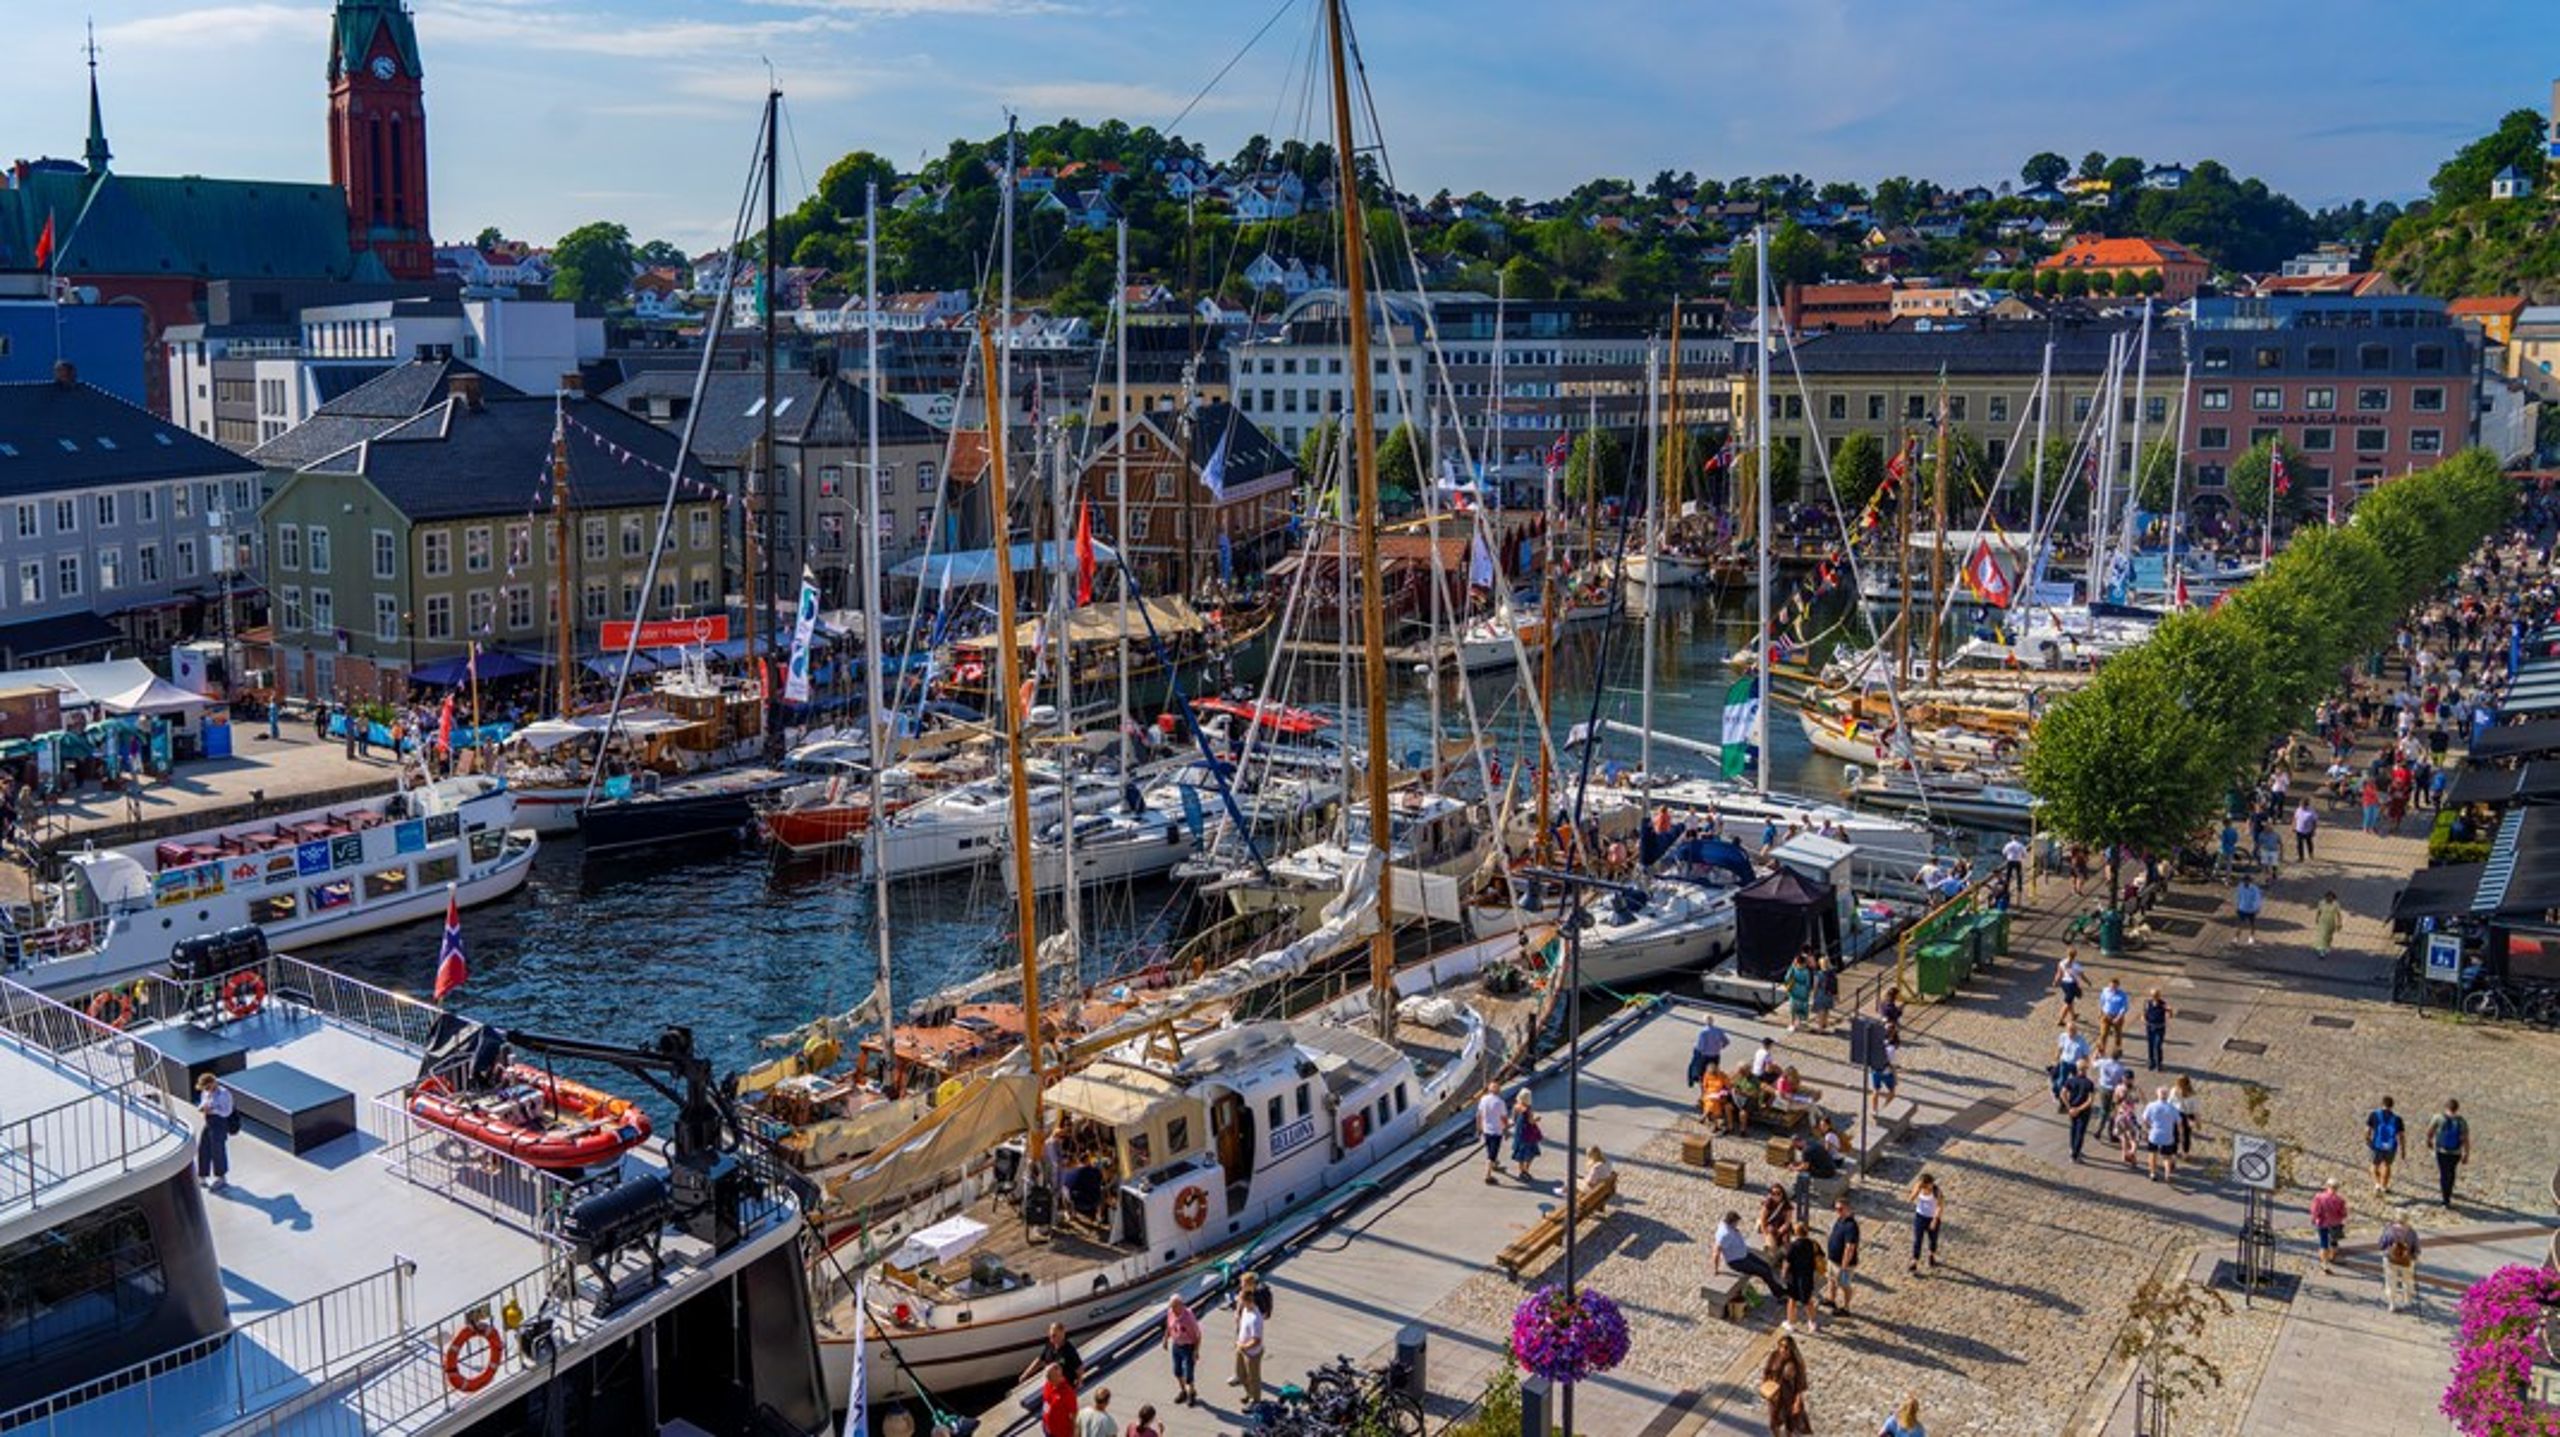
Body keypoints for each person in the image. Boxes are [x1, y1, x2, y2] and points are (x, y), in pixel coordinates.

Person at [1711, 1210, 1783, 1303]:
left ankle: (1777, 1288)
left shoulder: (1726, 1226)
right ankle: (1779, 1295)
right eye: (1736, 1222)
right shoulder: (1724, 1234)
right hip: (1737, 1261)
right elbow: (1716, 1251)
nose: (1737, 1224)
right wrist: (1716, 1269)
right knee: (1764, 1272)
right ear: (1732, 1222)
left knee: (1766, 1266)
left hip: (1744, 1254)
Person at [1761, 1331, 1811, 1435]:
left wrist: (1797, 1402)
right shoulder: (1774, 1355)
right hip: (1775, 1396)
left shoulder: (1796, 1364)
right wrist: (1765, 1387)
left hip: (1789, 1397)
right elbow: (1767, 1371)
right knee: (1774, 1423)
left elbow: (1799, 1386)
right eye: (1781, 1346)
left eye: (1786, 1347)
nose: (1783, 1349)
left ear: (1791, 1349)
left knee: (1790, 1425)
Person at [2426, 1098, 2471, 1207]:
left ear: (2446, 1107)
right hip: (2455, 1152)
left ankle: (2445, 1198)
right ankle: (2448, 1194)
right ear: (2457, 1109)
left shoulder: (2438, 1118)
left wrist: (2429, 1141)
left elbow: (2429, 1131)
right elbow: (2465, 1139)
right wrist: (2466, 1153)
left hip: (2442, 1151)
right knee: (2451, 1173)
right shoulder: (2461, 1121)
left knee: (2444, 1173)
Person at [1780, 1221, 1822, 1332]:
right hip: (1807, 1275)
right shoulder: (1812, 1243)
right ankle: (1812, 1322)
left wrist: (1783, 1275)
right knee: (1807, 1300)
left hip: (1795, 1277)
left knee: (1792, 1300)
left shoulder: (1793, 1246)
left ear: (1795, 1232)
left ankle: (1790, 1322)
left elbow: (1787, 1262)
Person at [195, 1072, 234, 1189]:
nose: (207, 1090)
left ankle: (221, 1177)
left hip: (220, 1123)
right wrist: (202, 1107)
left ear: (213, 1083)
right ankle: (202, 1175)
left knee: (218, 1150)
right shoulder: (206, 1092)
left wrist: (214, 1110)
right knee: (203, 1147)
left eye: (207, 1087)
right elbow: (202, 1101)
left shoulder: (224, 1094)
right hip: (209, 1122)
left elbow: (227, 1111)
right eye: (205, 1088)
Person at [1823, 1194, 1861, 1316]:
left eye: (1840, 1209)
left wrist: (1844, 1267)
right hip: (1833, 1260)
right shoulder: (1840, 1220)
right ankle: (1831, 1299)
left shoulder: (1851, 1226)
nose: (1837, 1211)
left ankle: (1846, 1307)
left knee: (1844, 1285)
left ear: (1848, 1209)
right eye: (1836, 1209)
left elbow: (1849, 1247)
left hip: (1843, 1264)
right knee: (1831, 1280)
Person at [1022, 1321, 1085, 1391]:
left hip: (1065, 1387)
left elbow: (1079, 1367)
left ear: (1062, 1334)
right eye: (1050, 1335)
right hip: (1051, 1386)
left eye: (1054, 1335)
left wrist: (1079, 1382)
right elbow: (1040, 1360)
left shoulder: (1069, 1350)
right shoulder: (1050, 1345)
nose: (1051, 1338)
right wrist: (1026, 1374)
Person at [1231, 1273, 1267, 1400]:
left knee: (1254, 1378)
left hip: (1251, 1352)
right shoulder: (1246, 1309)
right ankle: (1249, 1394)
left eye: (1241, 1301)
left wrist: (1242, 1346)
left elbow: (1256, 1340)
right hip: (1242, 1346)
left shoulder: (1255, 1318)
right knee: (1242, 1375)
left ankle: (1256, 1401)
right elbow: (1240, 1308)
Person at [1162, 1294, 1201, 1406]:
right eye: (1171, 1307)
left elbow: (1198, 1335)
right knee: (1177, 1371)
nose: (1172, 1309)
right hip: (1176, 1345)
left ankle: (1191, 1393)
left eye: (1174, 1307)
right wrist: (1165, 1339)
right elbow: (1169, 1326)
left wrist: (1196, 1351)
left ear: (1181, 1305)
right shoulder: (1171, 1312)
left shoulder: (1188, 1317)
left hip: (1188, 1347)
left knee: (1188, 1373)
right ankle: (1183, 1391)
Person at [2378, 1215, 2422, 1312]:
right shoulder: (2411, 1232)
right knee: (2407, 1281)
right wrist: (2415, 1257)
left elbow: (2381, 1245)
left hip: (2390, 1259)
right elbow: (2417, 1247)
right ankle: (2407, 1301)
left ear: (2396, 1218)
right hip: (2407, 1260)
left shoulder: (2389, 1230)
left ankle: (2392, 1304)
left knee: (2390, 1282)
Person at [2059, 1059, 2099, 1163]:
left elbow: (2062, 1094)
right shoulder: (2089, 1083)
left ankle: (2072, 1149)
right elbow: (2090, 1100)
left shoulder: (2070, 1081)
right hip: (2084, 1111)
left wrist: (2070, 1108)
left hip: (2072, 1109)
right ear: (2086, 1069)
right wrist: (2079, 1109)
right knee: (2080, 1133)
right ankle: (2075, 1155)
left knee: (2073, 1130)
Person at [2141, 1086, 2182, 1182]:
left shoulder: (2151, 1106)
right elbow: (2179, 1122)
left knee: (2152, 1154)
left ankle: (2152, 1173)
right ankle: (2167, 1174)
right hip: (2167, 1135)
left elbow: (2144, 1119)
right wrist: (2180, 1135)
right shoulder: (2172, 1108)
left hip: (2154, 1134)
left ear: (2157, 1094)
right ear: (2167, 1095)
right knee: (2167, 1157)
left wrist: (2148, 1128)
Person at [2366, 1096, 2404, 1197]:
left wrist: (2368, 1141)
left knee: (2374, 1165)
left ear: (2382, 1104)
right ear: (2392, 1106)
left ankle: (2377, 1184)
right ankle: (2384, 1186)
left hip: (2377, 1145)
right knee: (2387, 1165)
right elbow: (2401, 1136)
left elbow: (2367, 1131)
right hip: (2390, 1147)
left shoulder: (2374, 1115)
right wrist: (2403, 1149)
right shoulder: (2397, 1119)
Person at [2310, 1179, 2348, 1274]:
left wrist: (2314, 1219)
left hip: (2322, 1223)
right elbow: (2343, 1213)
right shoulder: (2340, 1200)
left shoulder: (2319, 1197)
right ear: (2337, 1188)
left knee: (2323, 1243)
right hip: (2335, 1224)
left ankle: (2324, 1263)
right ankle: (2332, 1257)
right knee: (2334, 1243)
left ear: (2327, 1186)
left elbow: (2315, 1211)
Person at [1907, 1172, 1942, 1274]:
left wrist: (1935, 1220)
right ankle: (1914, 1261)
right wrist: (1917, 1191)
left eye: (1930, 1184)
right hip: (1920, 1216)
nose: (1929, 1187)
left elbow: (1940, 1206)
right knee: (1918, 1239)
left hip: (1932, 1218)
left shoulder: (1936, 1191)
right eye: (1926, 1185)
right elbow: (1910, 1199)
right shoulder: (1919, 1187)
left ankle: (1932, 1255)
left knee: (1933, 1239)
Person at [1476, 1080, 1509, 1184]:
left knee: (1490, 1149)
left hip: (1486, 1130)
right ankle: (1488, 1176)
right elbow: (1503, 1117)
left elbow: (1479, 1115)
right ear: (1498, 1090)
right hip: (1496, 1131)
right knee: (1492, 1155)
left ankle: (1494, 1165)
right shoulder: (1500, 1102)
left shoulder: (1483, 1099)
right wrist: (1506, 1129)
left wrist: (1479, 1128)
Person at [1510, 1089, 1544, 1183]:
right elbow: (1530, 1121)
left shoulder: (1516, 1106)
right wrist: (1537, 1119)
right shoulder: (1528, 1109)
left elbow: (1513, 1120)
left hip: (1519, 1132)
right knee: (1531, 1153)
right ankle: (1526, 1170)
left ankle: (1521, 1171)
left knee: (1520, 1154)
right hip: (1528, 1133)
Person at [1688, 1016, 1731, 1086]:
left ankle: (1704, 1086)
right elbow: (1727, 1041)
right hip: (1716, 1055)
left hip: (1706, 1056)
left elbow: (1700, 1047)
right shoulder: (1718, 1030)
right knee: (1714, 1072)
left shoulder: (1703, 1032)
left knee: (1703, 1073)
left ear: (1705, 1021)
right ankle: (1714, 1085)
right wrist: (1720, 1047)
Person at [1039, 1364, 1079, 1437]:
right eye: (1047, 1377)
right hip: (1047, 1428)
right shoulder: (1048, 1385)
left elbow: (1074, 1416)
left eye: (1049, 1377)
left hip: (1061, 1433)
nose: (1047, 1379)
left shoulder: (1067, 1393)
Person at [2096, 977, 2131, 1057]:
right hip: (2106, 1015)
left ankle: (2116, 1051)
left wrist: (2118, 1017)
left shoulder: (2122, 994)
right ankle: (2102, 1051)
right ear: (2109, 984)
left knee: (2117, 1035)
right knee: (2103, 1034)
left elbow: (2124, 1007)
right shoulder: (2105, 991)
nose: (2113, 988)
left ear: (2118, 986)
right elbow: (2102, 1001)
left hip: (2117, 1016)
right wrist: (2100, 1012)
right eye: (2111, 986)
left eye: (2115, 986)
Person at [2141, 988, 2173, 1072]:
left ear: (2159, 995)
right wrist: (2143, 1019)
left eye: (2156, 995)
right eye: (2153, 995)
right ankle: (2151, 1062)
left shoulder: (2163, 1004)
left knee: (2158, 1045)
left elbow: (2170, 1015)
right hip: (2150, 1027)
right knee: (2150, 1045)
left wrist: (2170, 1011)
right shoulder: (2147, 1003)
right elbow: (2144, 1014)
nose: (2154, 997)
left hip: (2160, 1028)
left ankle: (2159, 1063)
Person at [2053, 946, 2085, 1019]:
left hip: (2064, 983)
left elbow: (2059, 973)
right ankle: (2060, 1019)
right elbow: (2082, 976)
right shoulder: (2077, 965)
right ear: (2075, 955)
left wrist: (2055, 981)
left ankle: (2073, 1015)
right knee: (2068, 1002)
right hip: (2072, 985)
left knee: (2070, 1000)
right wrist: (2088, 982)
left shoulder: (2062, 962)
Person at [1784, 952, 1813, 1032]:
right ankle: (1801, 1024)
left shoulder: (1793, 968)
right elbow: (1808, 983)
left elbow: (1786, 978)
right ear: (1804, 963)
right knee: (1802, 1009)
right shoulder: (1806, 971)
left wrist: (1792, 966)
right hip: (1803, 992)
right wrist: (1808, 992)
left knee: (1793, 1009)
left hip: (1794, 991)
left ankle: (1792, 1024)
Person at [2172, 1074, 2199, 1158]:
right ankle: (2185, 1153)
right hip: (2188, 1115)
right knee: (2186, 1134)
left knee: (2175, 1133)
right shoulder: (2192, 1094)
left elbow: (2169, 1102)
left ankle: (2174, 1151)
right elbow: (2195, 1109)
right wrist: (2198, 1121)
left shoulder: (2174, 1090)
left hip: (2176, 1113)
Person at [1809, 959, 1839, 1034]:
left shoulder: (1818, 974)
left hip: (1821, 994)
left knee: (1820, 1011)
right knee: (1826, 1010)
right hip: (1829, 994)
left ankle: (1820, 1029)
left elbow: (1815, 986)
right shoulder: (1832, 973)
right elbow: (1835, 985)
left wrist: (1814, 995)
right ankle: (1824, 1024)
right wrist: (1836, 996)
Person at [2312, 891, 2343, 960]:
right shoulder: (2321, 903)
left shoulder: (2336, 904)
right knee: (2322, 936)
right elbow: (2319, 911)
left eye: (2331, 898)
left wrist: (2339, 923)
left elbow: (2338, 914)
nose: (2329, 899)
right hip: (2322, 922)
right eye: (2327, 897)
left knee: (2328, 937)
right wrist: (2317, 918)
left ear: (2333, 898)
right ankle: (2321, 952)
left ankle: (2326, 947)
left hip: (2331, 922)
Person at [2232, 877, 2264, 946]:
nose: (2245, 883)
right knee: (2240, 924)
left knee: (2252, 924)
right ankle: (2236, 939)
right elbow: (2238, 897)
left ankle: (2251, 937)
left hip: (2251, 910)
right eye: (2244, 881)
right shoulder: (2240, 887)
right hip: (2242, 909)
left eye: (2247, 881)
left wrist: (2257, 908)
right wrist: (2237, 906)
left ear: (2250, 881)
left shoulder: (2255, 889)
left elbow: (2258, 899)